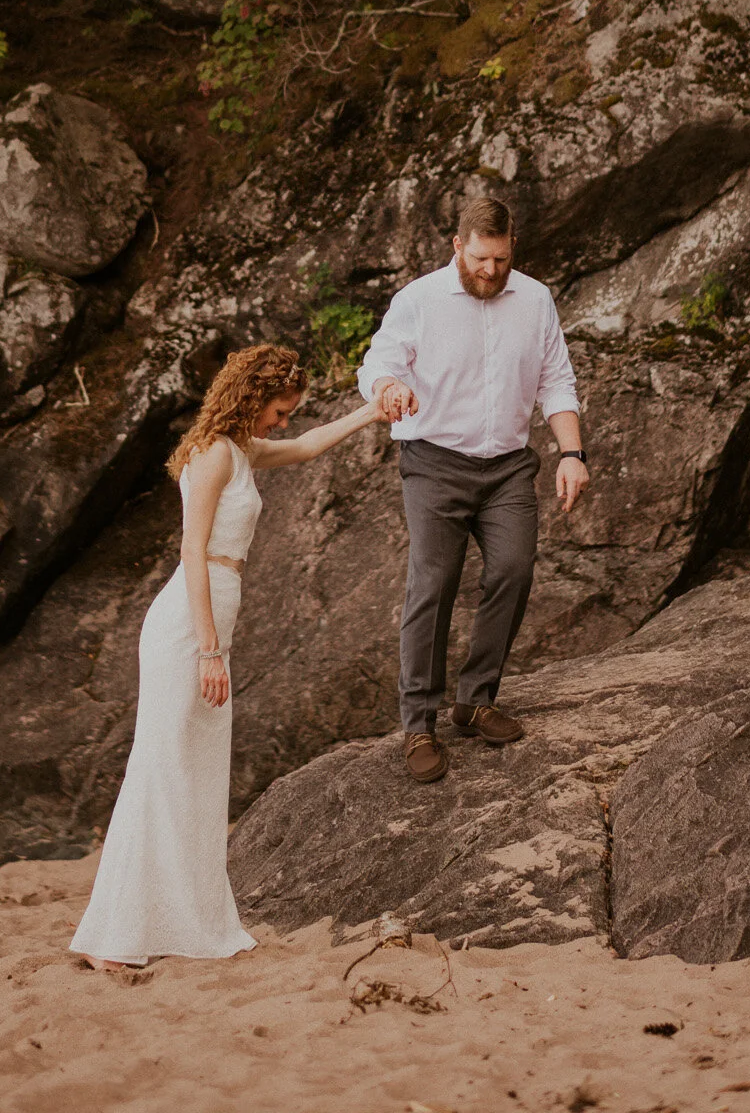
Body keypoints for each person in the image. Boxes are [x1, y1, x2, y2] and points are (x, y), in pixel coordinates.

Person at [70, 342, 387, 968]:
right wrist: (210, 650)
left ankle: (157, 923)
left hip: (211, 617)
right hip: (189, 624)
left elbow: (304, 448)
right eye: (278, 409)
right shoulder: (214, 455)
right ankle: (117, 941)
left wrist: (372, 412)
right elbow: (192, 551)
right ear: (252, 398)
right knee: (163, 771)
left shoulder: (240, 449)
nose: (283, 421)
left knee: (190, 773)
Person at [358, 196, 589, 784]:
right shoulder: (419, 299)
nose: (491, 270)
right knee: (433, 583)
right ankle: (419, 724)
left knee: (513, 569)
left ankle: (476, 699)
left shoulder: (535, 299)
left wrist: (571, 452)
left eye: (502, 259)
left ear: (514, 248)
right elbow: (377, 362)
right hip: (435, 463)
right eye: (481, 258)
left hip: (508, 466)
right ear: (458, 246)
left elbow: (555, 379)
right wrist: (388, 386)